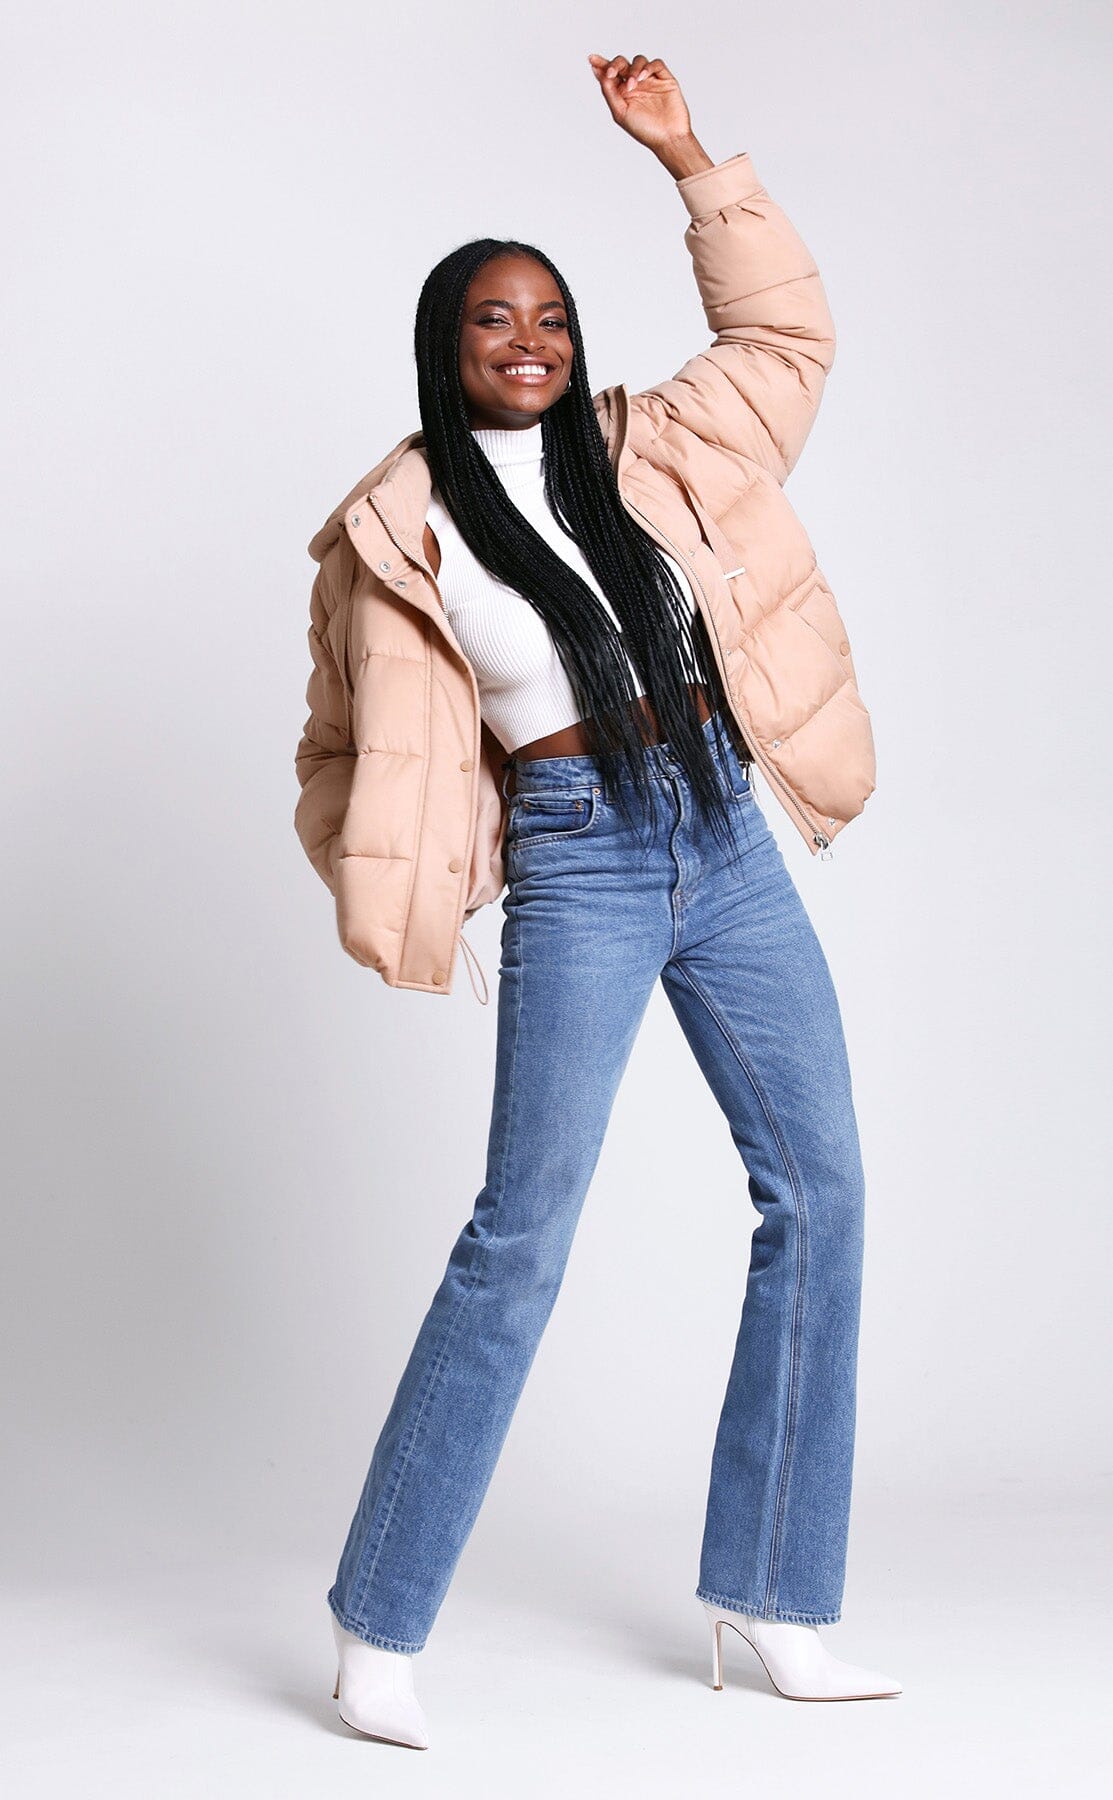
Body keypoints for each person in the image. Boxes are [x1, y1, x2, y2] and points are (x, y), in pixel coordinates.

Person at [295, 51, 898, 1749]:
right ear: (446, 342)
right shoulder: (394, 529)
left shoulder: (657, 446)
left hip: (724, 824)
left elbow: (788, 338)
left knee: (823, 1194)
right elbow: (341, 750)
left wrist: (688, 159)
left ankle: (775, 1598)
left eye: (552, 316)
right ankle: (376, 1625)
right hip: (581, 852)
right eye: (496, 319)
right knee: (524, 1238)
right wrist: (427, 870)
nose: (532, 341)